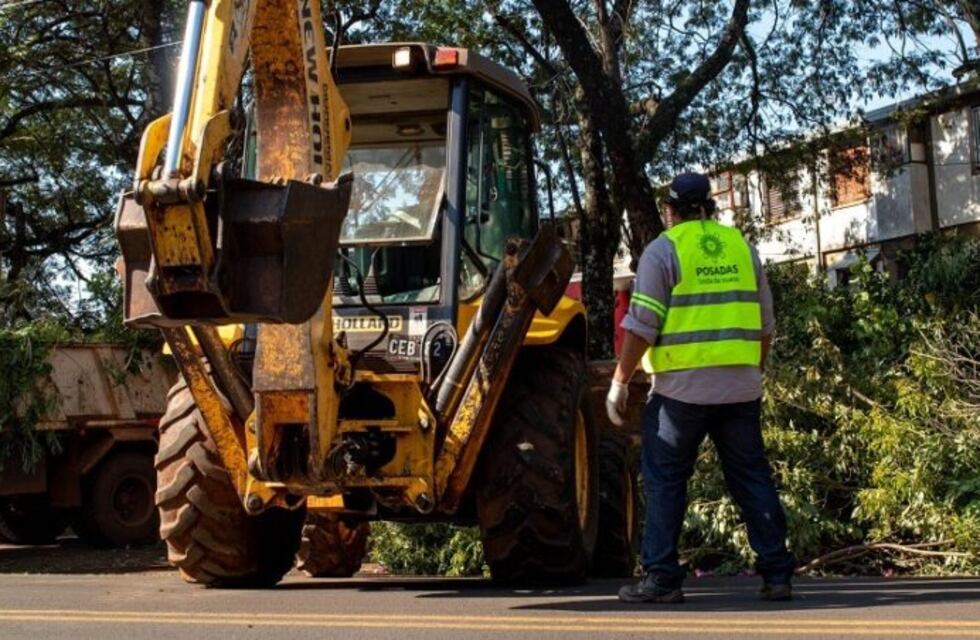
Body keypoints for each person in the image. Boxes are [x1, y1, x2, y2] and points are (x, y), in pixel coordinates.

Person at [607, 173, 796, 604]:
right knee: (751, 478)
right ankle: (777, 574)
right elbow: (765, 324)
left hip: (680, 395)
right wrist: (756, 370)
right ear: (709, 206)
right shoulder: (741, 248)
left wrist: (619, 381)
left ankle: (662, 579)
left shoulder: (663, 251)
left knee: (666, 482)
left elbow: (642, 326)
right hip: (741, 390)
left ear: (671, 209)